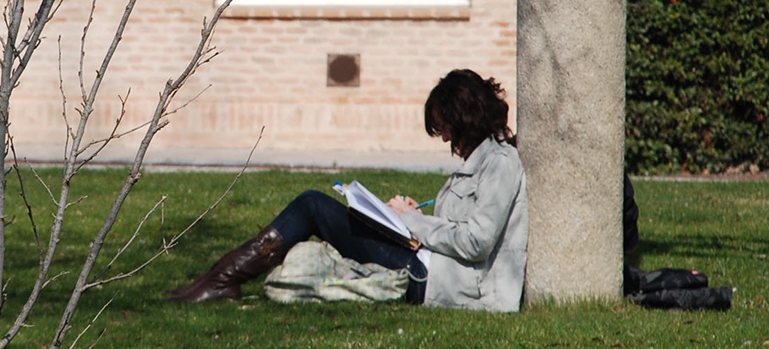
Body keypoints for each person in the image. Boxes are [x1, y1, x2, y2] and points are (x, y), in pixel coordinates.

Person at [167, 69, 529, 312]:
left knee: (313, 205)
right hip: (426, 264)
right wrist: (412, 219)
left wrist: (412, 222)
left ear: (466, 118)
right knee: (319, 206)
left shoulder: (499, 163)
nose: (445, 137)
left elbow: (476, 242)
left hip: (443, 284)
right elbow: (459, 231)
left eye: (445, 126)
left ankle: (222, 280)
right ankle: (218, 279)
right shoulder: (480, 163)